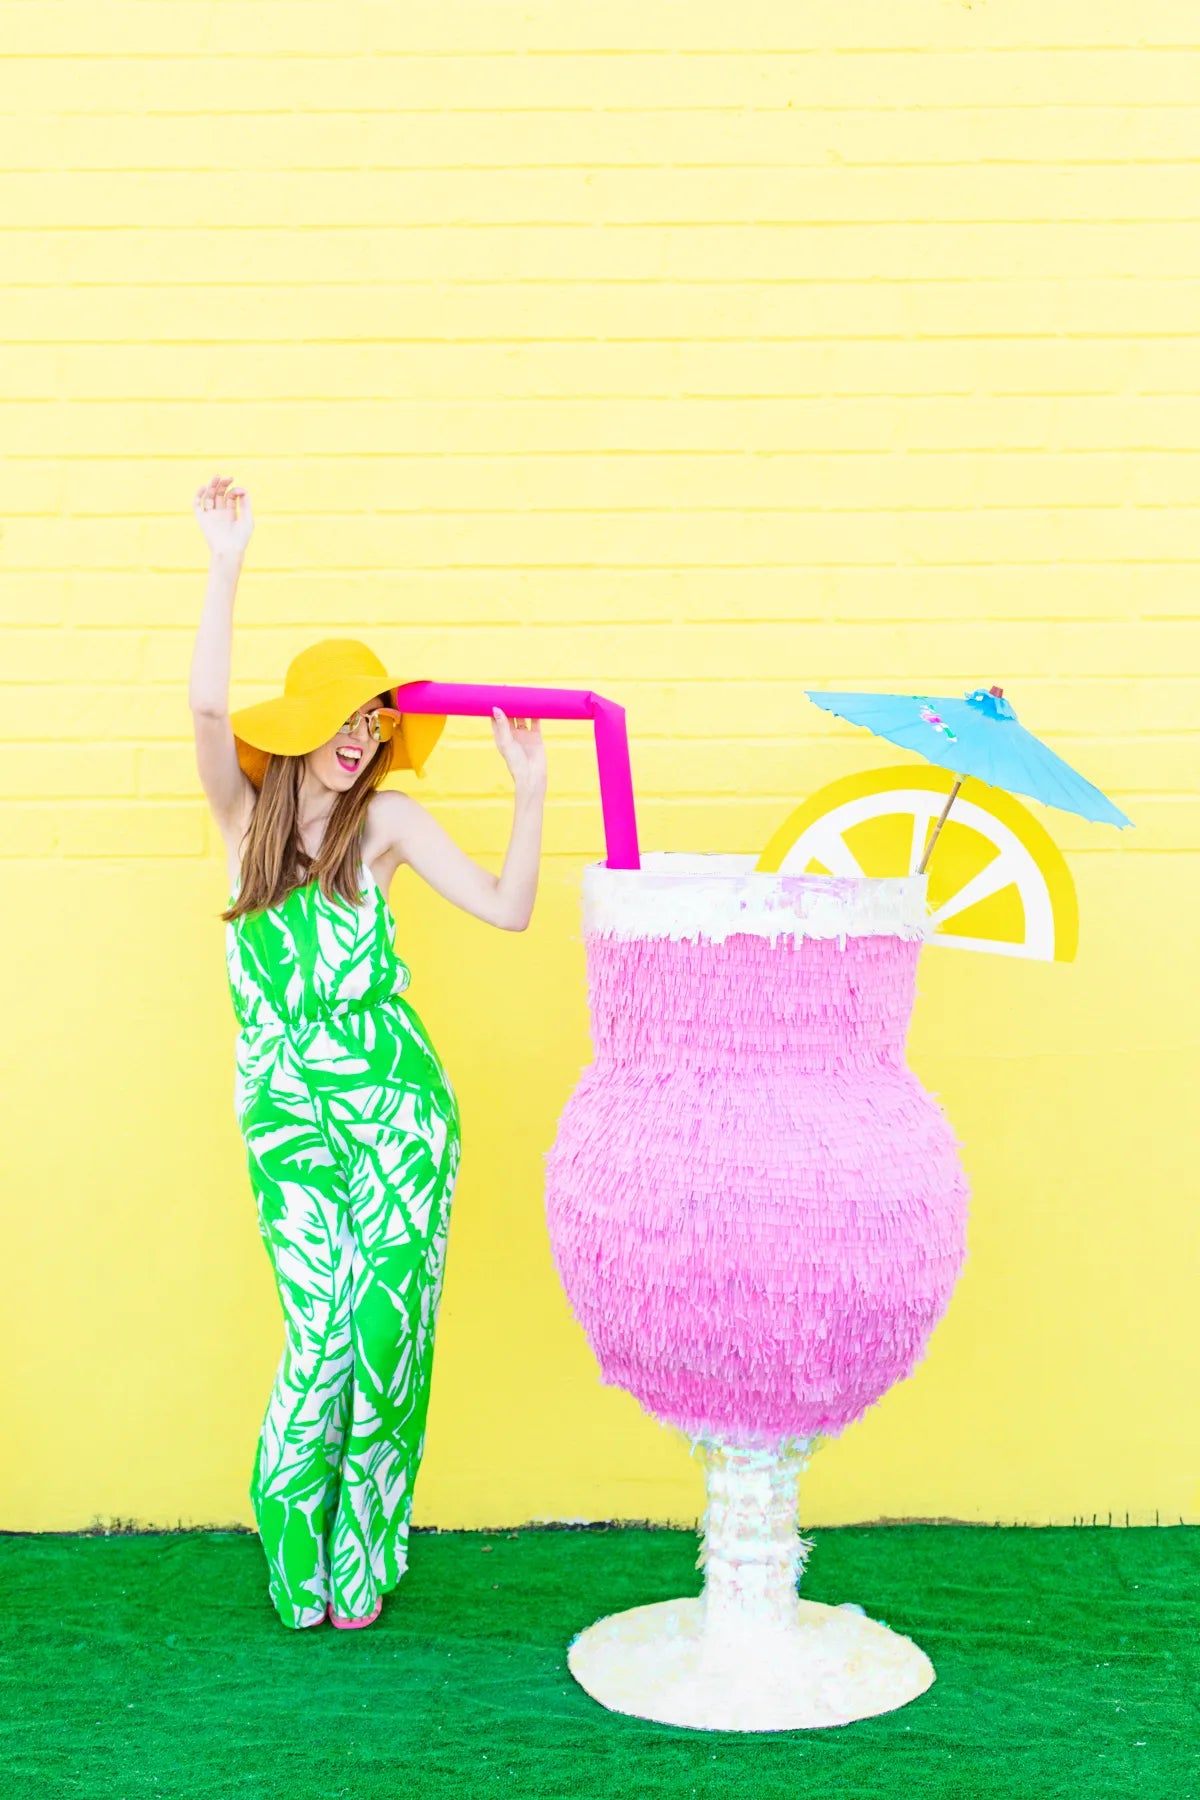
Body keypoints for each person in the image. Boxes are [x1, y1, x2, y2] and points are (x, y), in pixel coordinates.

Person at [189, 473, 546, 1630]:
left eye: (374, 723)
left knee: (389, 1337)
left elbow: (506, 908)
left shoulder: (383, 826)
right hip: (290, 1114)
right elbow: (203, 716)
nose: (360, 741)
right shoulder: (244, 823)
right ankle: (294, 1538)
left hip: (399, 1109)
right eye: (343, 722)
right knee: (323, 1335)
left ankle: (365, 1551)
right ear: (299, 730)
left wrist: (529, 791)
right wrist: (226, 563)